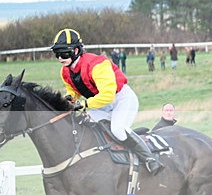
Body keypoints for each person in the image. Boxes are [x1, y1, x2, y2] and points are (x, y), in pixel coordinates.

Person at [50, 28, 163, 173]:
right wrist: (70, 98)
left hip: (121, 99)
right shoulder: (65, 71)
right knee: (85, 125)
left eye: (63, 53)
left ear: (76, 50)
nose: (60, 58)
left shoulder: (97, 65)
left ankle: (150, 159)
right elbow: (73, 91)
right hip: (99, 104)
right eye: (56, 54)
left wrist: (84, 104)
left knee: (118, 130)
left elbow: (108, 95)